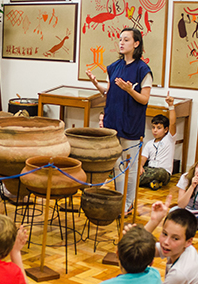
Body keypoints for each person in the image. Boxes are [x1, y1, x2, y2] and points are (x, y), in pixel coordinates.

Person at [86, 27, 153, 215]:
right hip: (112, 122)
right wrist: (95, 83)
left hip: (131, 124)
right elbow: (108, 92)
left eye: (126, 39)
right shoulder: (114, 67)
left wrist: (130, 90)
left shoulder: (143, 70)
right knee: (117, 165)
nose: (121, 43)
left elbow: (144, 99)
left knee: (130, 167)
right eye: (120, 39)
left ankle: (128, 203)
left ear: (136, 43)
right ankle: (120, 201)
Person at [139, 93, 176, 190]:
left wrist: (171, 106)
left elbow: (173, 123)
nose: (155, 130)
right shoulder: (149, 143)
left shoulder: (169, 139)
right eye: (153, 127)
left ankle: (136, 181)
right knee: (136, 169)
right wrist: (140, 167)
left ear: (166, 129)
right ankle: (152, 183)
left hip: (163, 172)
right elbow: (143, 158)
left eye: (159, 128)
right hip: (150, 169)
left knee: (160, 173)